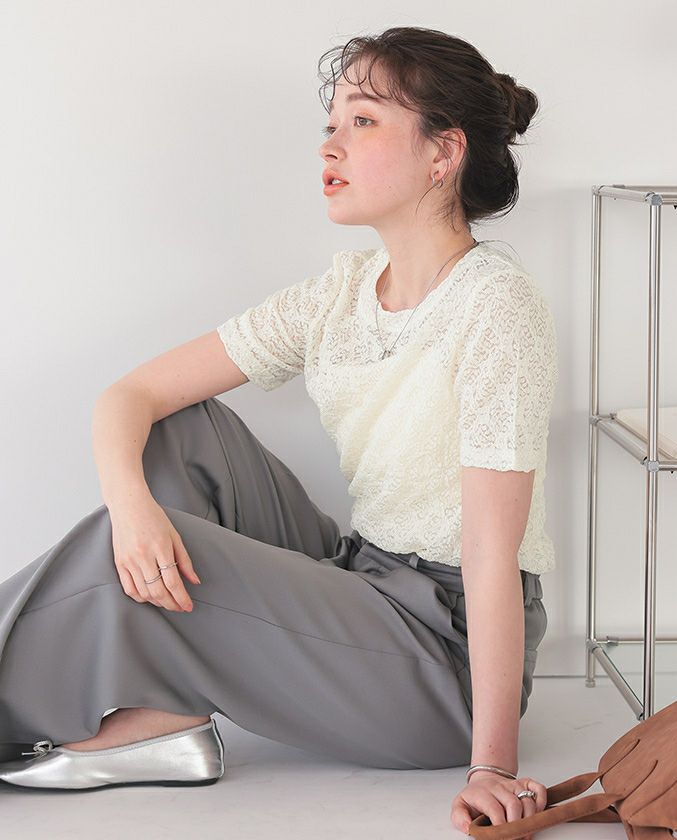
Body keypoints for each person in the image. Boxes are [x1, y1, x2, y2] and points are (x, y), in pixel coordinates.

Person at [0, 25, 557, 838]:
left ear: (443, 153)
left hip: (445, 655)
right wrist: (133, 509)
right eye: (331, 123)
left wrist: (492, 767)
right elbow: (131, 395)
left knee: (116, 552)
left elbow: (489, 554)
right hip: (364, 580)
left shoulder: (495, 305)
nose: (330, 145)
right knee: (177, 429)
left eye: (363, 121)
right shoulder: (340, 293)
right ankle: (168, 719)